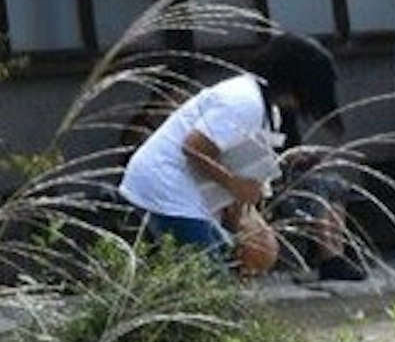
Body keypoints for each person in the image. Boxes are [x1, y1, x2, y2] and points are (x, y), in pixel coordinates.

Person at [116, 32, 336, 261]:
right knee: (208, 278)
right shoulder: (244, 101)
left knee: (223, 265)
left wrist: (244, 218)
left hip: (189, 193)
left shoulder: (268, 111)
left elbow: (236, 164)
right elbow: (193, 148)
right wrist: (235, 184)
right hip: (167, 188)